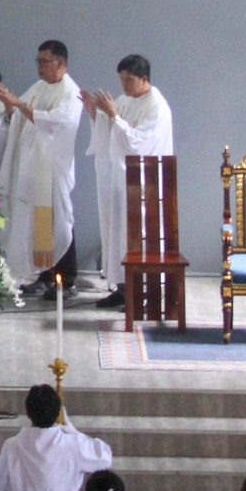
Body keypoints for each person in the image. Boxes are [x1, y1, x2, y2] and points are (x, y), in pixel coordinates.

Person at [0, 41, 85, 294]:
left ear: (60, 63)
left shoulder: (71, 93)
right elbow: (17, 112)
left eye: (44, 61)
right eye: (37, 61)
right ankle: (43, 273)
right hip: (31, 165)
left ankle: (66, 279)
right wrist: (9, 104)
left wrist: (18, 105)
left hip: (51, 166)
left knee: (58, 219)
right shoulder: (39, 87)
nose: (39, 66)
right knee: (35, 221)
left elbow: (59, 122)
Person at [85, 55, 175, 309]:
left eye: (130, 80)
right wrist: (95, 112)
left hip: (144, 183)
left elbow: (138, 143)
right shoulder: (125, 100)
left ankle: (142, 292)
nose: (124, 85)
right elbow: (111, 130)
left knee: (137, 237)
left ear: (144, 79)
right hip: (120, 180)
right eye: (121, 79)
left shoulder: (157, 106)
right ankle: (122, 289)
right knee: (116, 234)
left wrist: (113, 115)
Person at [0, 383, 113, 491]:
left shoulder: (12, 445)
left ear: (28, 412)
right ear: (58, 413)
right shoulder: (73, 444)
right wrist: (75, 433)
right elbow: (105, 459)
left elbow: (1, 483)